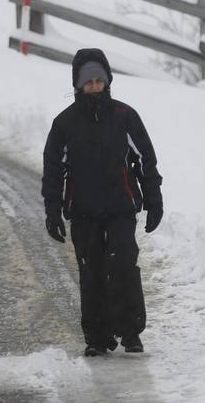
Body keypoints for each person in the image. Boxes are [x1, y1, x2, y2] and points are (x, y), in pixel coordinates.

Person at [42, 48, 163, 357]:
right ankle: (97, 336)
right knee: (91, 270)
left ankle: (130, 332)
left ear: (107, 81)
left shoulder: (125, 117)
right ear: (78, 85)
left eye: (99, 80)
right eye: (88, 81)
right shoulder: (64, 124)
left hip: (121, 207)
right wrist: (53, 211)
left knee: (123, 265)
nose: (94, 86)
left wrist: (153, 197)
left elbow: (145, 160)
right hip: (83, 211)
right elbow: (54, 171)